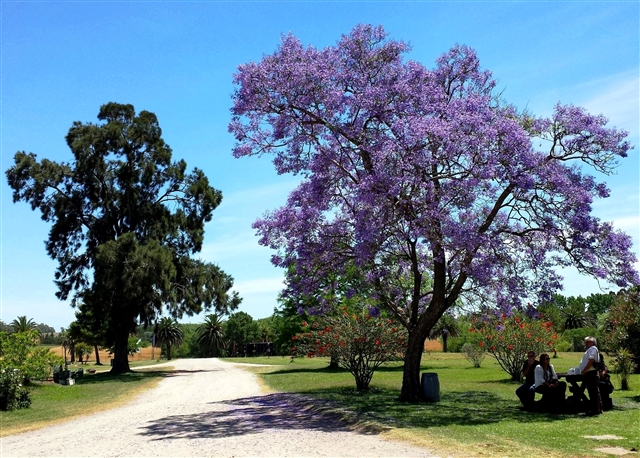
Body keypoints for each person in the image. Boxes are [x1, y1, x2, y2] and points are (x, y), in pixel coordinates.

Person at [578, 336, 603, 416]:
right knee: (594, 391)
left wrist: (584, 371)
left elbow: (591, 360)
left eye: (587, 342)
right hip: (591, 372)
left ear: (592, 342)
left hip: (590, 373)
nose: (586, 344)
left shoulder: (592, 349)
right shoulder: (592, 349)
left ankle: (594, 410)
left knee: (593, 392)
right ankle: (598, 408)